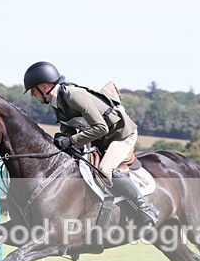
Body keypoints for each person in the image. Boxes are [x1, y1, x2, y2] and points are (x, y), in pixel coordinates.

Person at [23, 61, 159, 227]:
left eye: (33, 91)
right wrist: (62, 138)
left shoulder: (73, 96)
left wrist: (71, 140)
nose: (32, 96)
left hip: (121, 135)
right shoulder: (58, 103)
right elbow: (69, 128)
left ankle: (146, 209)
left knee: (105, 169)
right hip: (102, 139)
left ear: (44, 87)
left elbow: (100, 127)